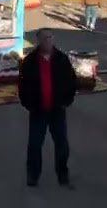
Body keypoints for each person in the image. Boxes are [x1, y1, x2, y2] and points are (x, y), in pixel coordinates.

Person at [18, 28, 78, 188]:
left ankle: (62, 173)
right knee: (35, 144)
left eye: (50, 38)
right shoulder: (30, 61)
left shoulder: (62, 59)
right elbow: (22, 84)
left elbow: (72, 81)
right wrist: (27, 103)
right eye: (44, 38)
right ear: (38, 41)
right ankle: (33, 175)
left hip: (57, 109)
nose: (48, 41)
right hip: (37, 110)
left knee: (62, 144)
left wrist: (67, 100)